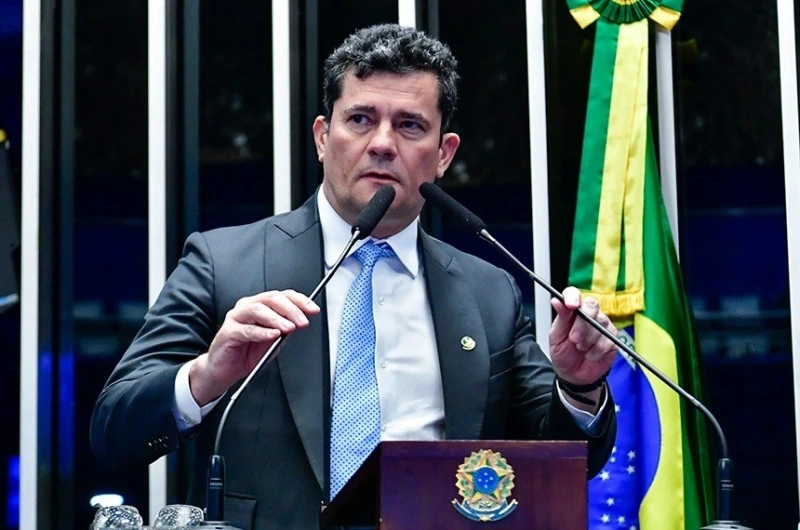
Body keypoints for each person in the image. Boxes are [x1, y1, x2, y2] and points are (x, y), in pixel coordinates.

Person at [91, 23, 618, 530]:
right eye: (361, 119)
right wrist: (206, 376)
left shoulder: (488, 293)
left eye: (410, 125)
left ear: (443, 154)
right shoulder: (224, 263)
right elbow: (113, 430)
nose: (383, 143)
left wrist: (580, 387)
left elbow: (562, 460)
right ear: (323, 137)